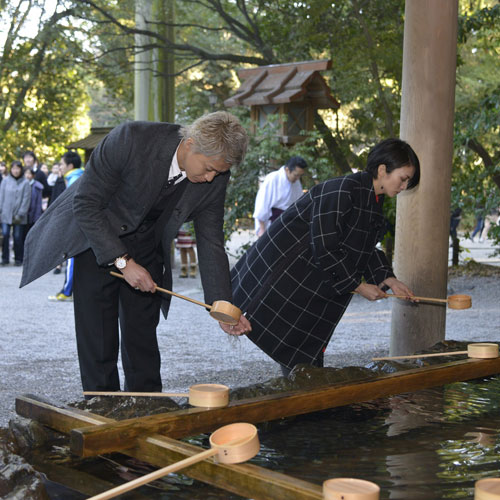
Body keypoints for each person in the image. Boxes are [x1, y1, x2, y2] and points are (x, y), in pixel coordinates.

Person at [21, 112, 251, 393]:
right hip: (96, 239)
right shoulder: (130, 140)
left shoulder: (214, 177)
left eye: (219, 172)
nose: (211, 177)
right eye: (208, 168)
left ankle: (147, 408)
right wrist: (123, 262)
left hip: (146, 245)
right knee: (99, 338)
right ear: (190, 144)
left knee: (142, 337)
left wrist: (222, 307)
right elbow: (85, 204)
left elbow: (210, 240)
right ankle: (101, 410)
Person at [231, 138, 420, 376]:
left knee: (305, 354)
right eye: (403, 179)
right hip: (291, 274)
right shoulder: (341, 189)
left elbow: (365, 247)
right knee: (295, 350)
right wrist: (358, 286)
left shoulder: (373, 198)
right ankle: (298, 401)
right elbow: (325, 245)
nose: (404, 186)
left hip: (315, 278)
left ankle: (302, 397)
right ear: (383, 170)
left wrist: (389, 279)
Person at [48, 151, 84, 302]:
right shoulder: (76, 177)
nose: (59, 167)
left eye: (62, 164)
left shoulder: (74, 179)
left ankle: (67, 292)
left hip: (75, 227)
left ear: (70, 165)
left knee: (71, 259)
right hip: (78, 227)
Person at [253, 156, 307, 237]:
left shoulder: (297, 183)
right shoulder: (272, 179)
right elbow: (262, 204)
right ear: (287, 170)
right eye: (296, 175)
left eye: (300, 175)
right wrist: (262, 229)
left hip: (289, 224)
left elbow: (299, 204)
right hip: (272, 223)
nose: (298, 178)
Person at [0, 161, 31, 266]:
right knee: (5, 235)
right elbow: (1, 197)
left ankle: (18, 258)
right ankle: (5, 258)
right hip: (6, 213)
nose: (15, 171)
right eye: (13, 168)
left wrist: (21, 213)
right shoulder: (5, 181)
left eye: (17, 168)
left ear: (21, 169)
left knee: (18, 237)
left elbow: (26, 200)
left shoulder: (25, 183)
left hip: (20, 215)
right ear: (10, 169)